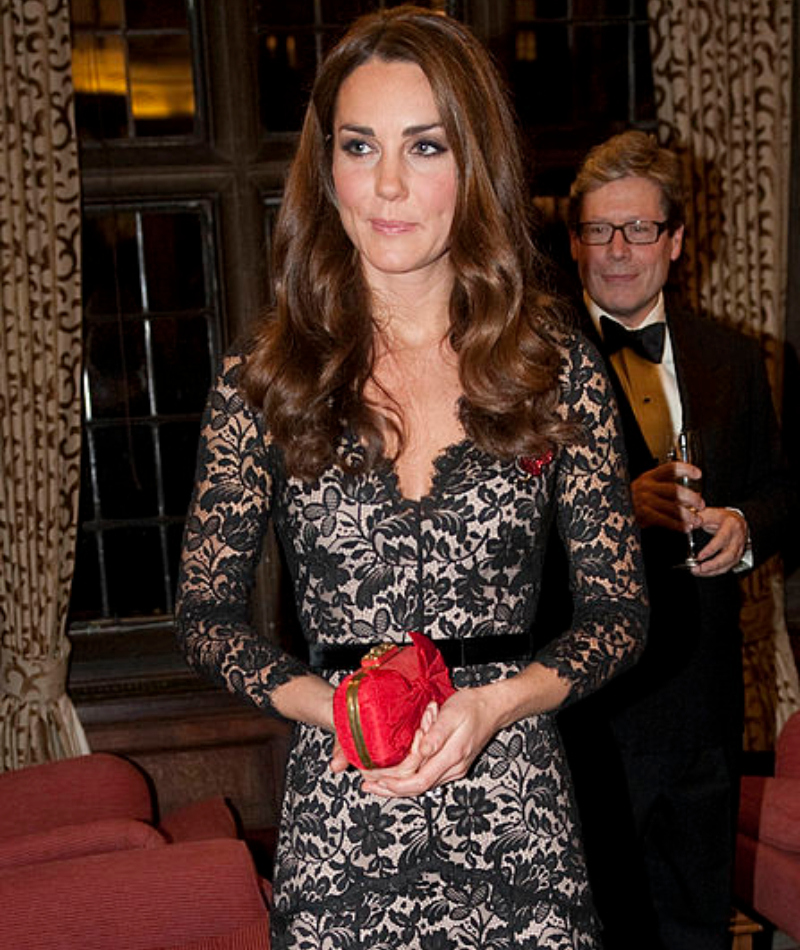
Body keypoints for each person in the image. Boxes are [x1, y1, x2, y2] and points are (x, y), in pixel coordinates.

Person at [175, 8, 647, 948]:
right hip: (340, 825)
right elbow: (204, 617)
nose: (387, 185)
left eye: (424, 146)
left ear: (475, 165)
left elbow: (620, 614)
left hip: (517, 822)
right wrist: (333, 709)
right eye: (360, 146)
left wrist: (496, 702)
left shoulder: (555, 366)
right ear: (328, 167)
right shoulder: (265, 374)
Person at [551, 129, 798, 950]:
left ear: (677, 240)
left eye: (640, 229)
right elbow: (493, 538)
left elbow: (783, 490)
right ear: (576, 239)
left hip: (705, 703)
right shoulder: (525, 367)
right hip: (587, 710)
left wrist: (746, 526)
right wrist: (612, 507)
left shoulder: (733, 358)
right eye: (598, 230)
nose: (618, 252)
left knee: (697, 927)